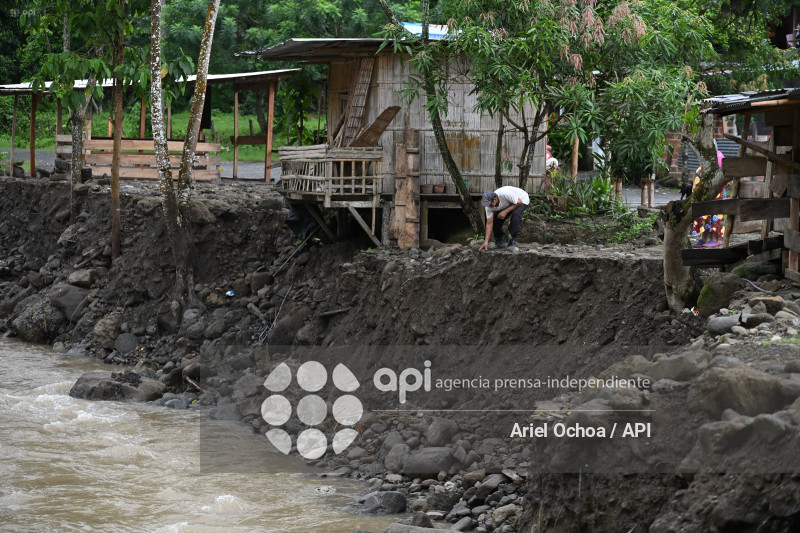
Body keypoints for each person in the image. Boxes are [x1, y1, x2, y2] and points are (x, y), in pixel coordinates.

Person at [690, 149, 726, 248]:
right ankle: (704, 239)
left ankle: (715, 240)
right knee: (703, 216)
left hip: (717, 196)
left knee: (716, 217)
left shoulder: (719, 159)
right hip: (704, 196)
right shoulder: (701, 167)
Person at [478, 186, 530, 251]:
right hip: (509, 202)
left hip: (521, 199)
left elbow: (519, 202)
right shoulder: (488, 206)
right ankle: (500, 242)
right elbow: (489, 223)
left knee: (516, 215)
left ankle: (512, 242)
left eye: (489, 204)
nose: (488, 206)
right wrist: (486, 242)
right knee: (495, 219)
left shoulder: (504, 194)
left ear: (495, 199)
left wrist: (505, 211)